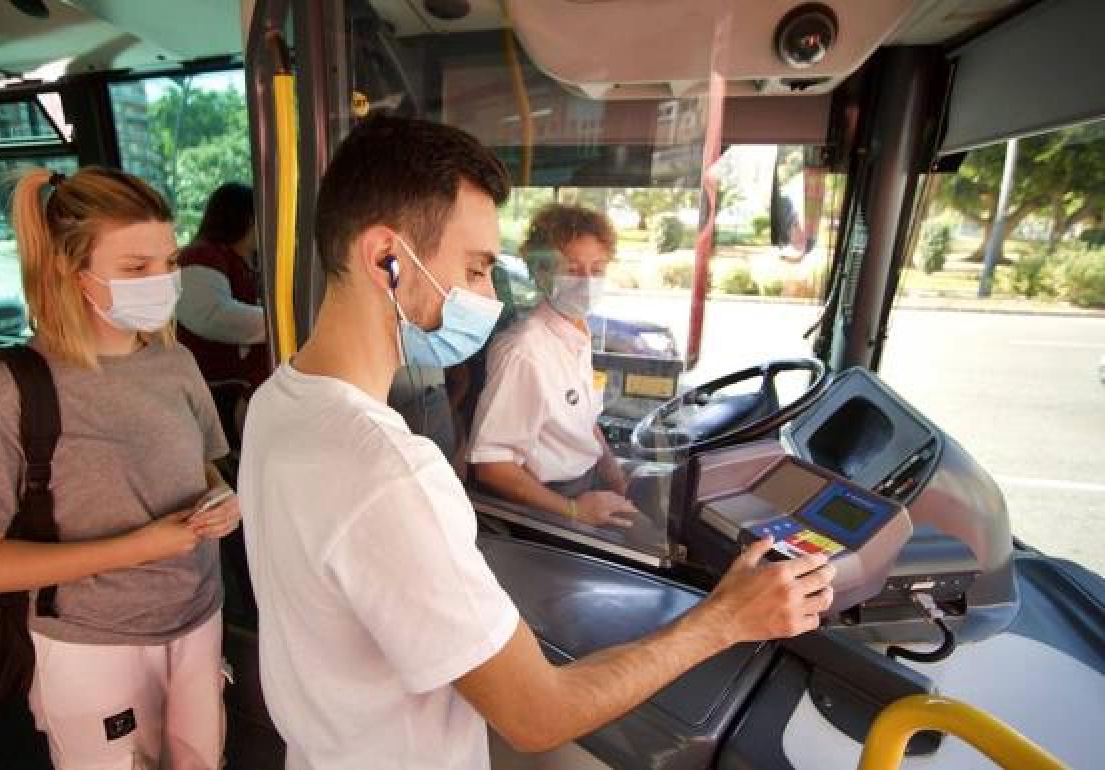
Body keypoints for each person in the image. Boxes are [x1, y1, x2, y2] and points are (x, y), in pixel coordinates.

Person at [238, 114, 834, 770]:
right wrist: (726, 620)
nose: (490, 297)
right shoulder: (387, 472)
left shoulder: (278, 402)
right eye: (475, 269)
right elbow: (536, 713)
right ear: (385, 259)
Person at [0, 167, 241, 770]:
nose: (163, 282)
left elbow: (203, 469)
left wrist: (227, 498)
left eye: (169, 262)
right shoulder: (6, 390)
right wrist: (137, 546)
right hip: (93, 642)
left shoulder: (174, 362)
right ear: (70, 270)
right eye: (136, 268)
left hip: (198, 616)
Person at [469, 203, 641, 531]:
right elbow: (492, 466)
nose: (588, 282)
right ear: (542, 273)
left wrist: (613, 472)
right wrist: (575, 511)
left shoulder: (577, 331)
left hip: (588, 482)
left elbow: (584, 420)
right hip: (549, 504)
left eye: (598, 269)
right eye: (573, 269)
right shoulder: (524, 350)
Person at [176, 182, 268, 445]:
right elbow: (212, 316)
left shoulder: (246, 260)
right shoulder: (202, 257)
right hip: (220, 388)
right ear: (248, 219)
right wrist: (280, 323)